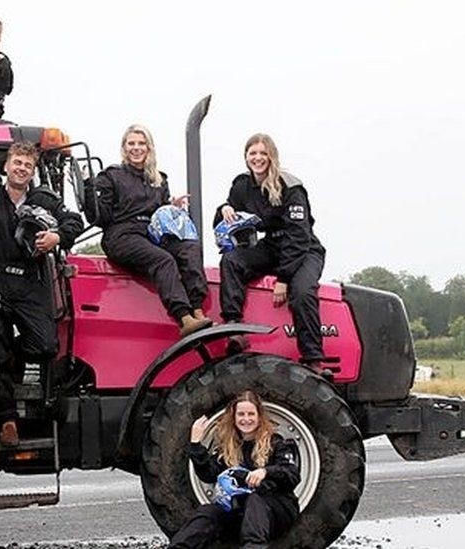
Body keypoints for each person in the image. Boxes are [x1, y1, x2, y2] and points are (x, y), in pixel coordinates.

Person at [0, 136, 84, 445]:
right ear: (6, 165)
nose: (22, 168)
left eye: (28, 165)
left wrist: (56, 237)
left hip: (29, 279)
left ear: (33, 170)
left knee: (45, 345)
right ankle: (7, 418)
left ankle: (12, 364)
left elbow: (74, 222)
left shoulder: (44, 199)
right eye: (17, 163)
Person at [215, 133, 328, 373]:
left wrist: (284, 279)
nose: (257, 158)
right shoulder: (242, 185)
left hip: (303, 248)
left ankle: (313, 358)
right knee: (231, 261)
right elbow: (229, 220)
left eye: (263, 153)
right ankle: (235, 328)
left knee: (302, 292)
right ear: (246, 157)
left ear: (272, 156)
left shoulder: (291, 187)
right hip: (272, 245)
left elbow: (298, 235)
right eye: (252, 153)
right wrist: (223, 209)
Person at [92, 124, 211, 337]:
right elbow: (101, 217)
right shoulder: (111, 176)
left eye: (141, 143)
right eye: (131, 143)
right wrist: (89, 190)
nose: (136, 148)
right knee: (163, 259)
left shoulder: (159, 179)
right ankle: (183, 317)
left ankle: (197, 309)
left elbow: (160, 215)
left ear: (149, 148)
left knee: (190, 247)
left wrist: (170, 206)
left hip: (151, 232)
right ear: (124, 148)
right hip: (122, 234)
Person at [169, 390, 300, 549]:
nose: (246, 419)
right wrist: (196, 444)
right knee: (208, 512)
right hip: (241, 513)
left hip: (276, 510)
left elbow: (292, 475)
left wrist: (265, 472)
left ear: (259, 417)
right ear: (234, 417)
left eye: (251, 414)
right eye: (241, 414)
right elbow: (209, 474)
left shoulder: (277, 443)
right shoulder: (229, 446)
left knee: (255, 500)